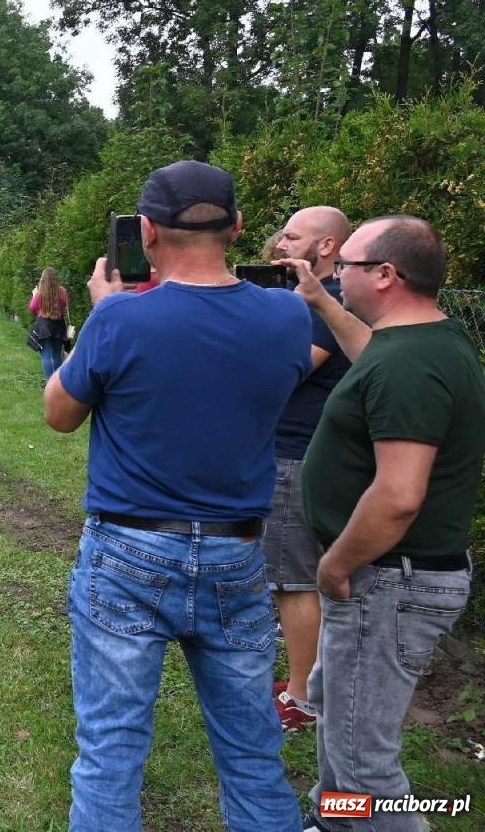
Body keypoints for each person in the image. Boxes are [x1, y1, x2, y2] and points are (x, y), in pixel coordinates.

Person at [43, 160, 311, 830]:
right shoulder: (284, 316)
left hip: (128, 547)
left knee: (110, 754)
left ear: (148, 231)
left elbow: (59, 412)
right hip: (236, 552)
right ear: (239, 227)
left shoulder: (120, 319)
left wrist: (104, 316)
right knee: (252, 754)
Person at [283, 216, 485, 832]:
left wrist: (337, 562)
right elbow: (370, 355)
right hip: (389, 578)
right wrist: (320, 300)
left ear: (386, 275)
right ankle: (335, 822)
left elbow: (398, 494)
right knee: (335, 717)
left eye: (346, 265)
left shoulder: (411, 367)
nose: (336, 272)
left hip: (389, 580)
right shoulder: (420, 341)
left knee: (365, 764)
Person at [260, 206, 353, 733]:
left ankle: (302, 698)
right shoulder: (308, 298)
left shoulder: (327, 302)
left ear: (326, 248)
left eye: (292, 236)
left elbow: (290, 369)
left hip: (297, 455)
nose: (280, 244)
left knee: (292, 580)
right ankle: (305, 681)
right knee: (292, 574)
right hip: (298, 450)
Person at [28, 268, 70, 382]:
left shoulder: (40, 293)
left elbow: (32, 308)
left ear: (43, 279)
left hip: (44, 326)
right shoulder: (62, 291)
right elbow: (64, 307)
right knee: (57, 355)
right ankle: (58, 382)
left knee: (45, 355)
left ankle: (50, 383)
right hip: (58, 324)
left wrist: (34, 295)